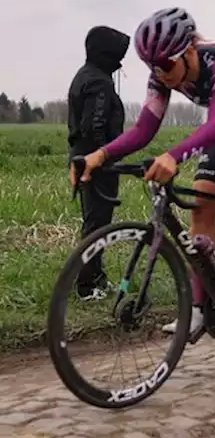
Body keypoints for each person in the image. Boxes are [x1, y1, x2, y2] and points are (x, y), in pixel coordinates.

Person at [76, 8, 215, 335]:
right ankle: (199, 308)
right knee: (201, 211)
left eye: (166, 64)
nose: (160, 73)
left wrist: (173, 157)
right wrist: (99, 155)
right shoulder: (164, 74)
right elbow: (143, 129)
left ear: (189, 52)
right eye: (152, 66)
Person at [66, 25, 130, 300]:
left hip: (84, 159)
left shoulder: (85, 76)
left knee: (95, 222)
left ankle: (96, 278)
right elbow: (94, 127)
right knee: (97, 226)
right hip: (96, 164)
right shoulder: (99, 82)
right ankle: (86, 286)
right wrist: (104, 156)